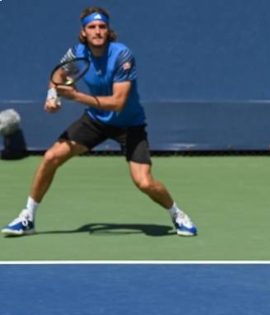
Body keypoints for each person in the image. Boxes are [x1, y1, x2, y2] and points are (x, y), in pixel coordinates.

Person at [2, 7, 196, 237]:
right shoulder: (77, 53)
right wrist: (51, 96)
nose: (97, 31)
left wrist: (76, 96)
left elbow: (118, 102)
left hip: (129, 124)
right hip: (96, 120)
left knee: (144, 182)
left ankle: (176, 214)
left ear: (108, 30)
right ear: (83, 32)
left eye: (102, 27)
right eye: (92, 27)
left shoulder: (122, 55)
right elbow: (57, 76)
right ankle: (28, 217)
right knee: (51, 157)